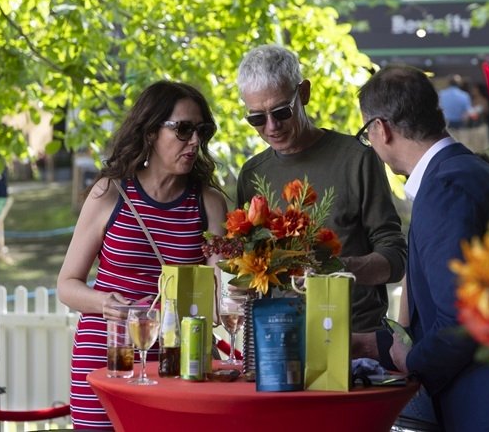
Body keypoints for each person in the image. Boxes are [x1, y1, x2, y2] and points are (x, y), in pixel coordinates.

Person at [357, 64, 489, 431]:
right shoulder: (475, 172)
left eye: (366, 134)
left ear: (380, 129)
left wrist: (413, 361)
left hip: (485, 405)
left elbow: (460, 322)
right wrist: (373, 344)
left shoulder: (444, 190)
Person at [56, 80, 228, 430]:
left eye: (201, 130)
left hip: (176, 361)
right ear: (151, 132)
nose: (194, 140)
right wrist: (108, 304)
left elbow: (217, 295)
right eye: (182, 129)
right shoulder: (109, 192)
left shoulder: (208, 202)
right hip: (107, 354)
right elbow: (66, 285)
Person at [235, 44, 407, 333]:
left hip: (354, 338)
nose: (271, 126)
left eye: (281, 112)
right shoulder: (253, 174)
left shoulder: (357, 158)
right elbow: (247, 262)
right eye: (256, 118)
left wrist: (341, 269)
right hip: (280, 336)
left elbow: (396, 257)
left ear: (303, 93)